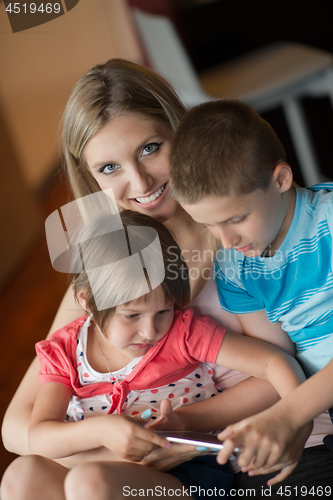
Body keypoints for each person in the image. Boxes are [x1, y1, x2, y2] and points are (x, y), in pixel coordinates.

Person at [0, 59, 331, 496]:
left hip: (251, 449)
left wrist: (184, 430)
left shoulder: (243, 242)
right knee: (29, 478)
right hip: (156, 463)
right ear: (90, 178)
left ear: (183, 132)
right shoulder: (108, 270)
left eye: (151, 147)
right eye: (109, 168)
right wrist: (120, 442)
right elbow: (19, 428)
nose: (139, 180)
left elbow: (280, 373)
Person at [24, 209, 305, 500]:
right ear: (87, 301)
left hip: (186, 473)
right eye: (132, 315)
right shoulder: (65, 350)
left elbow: (275, 362)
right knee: (25, 474)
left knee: (89, 483)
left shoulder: (182, 333)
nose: (150, 331)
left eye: (163, 311)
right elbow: (40, 438)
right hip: (95, 472)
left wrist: (298, 418)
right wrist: (100, 431)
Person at [168, 98, 333, 488]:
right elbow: (279, 356)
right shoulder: (234, 266)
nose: (226, 239)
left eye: (237, 218)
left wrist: (292, 414)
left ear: (280, 180)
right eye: (209, 225)